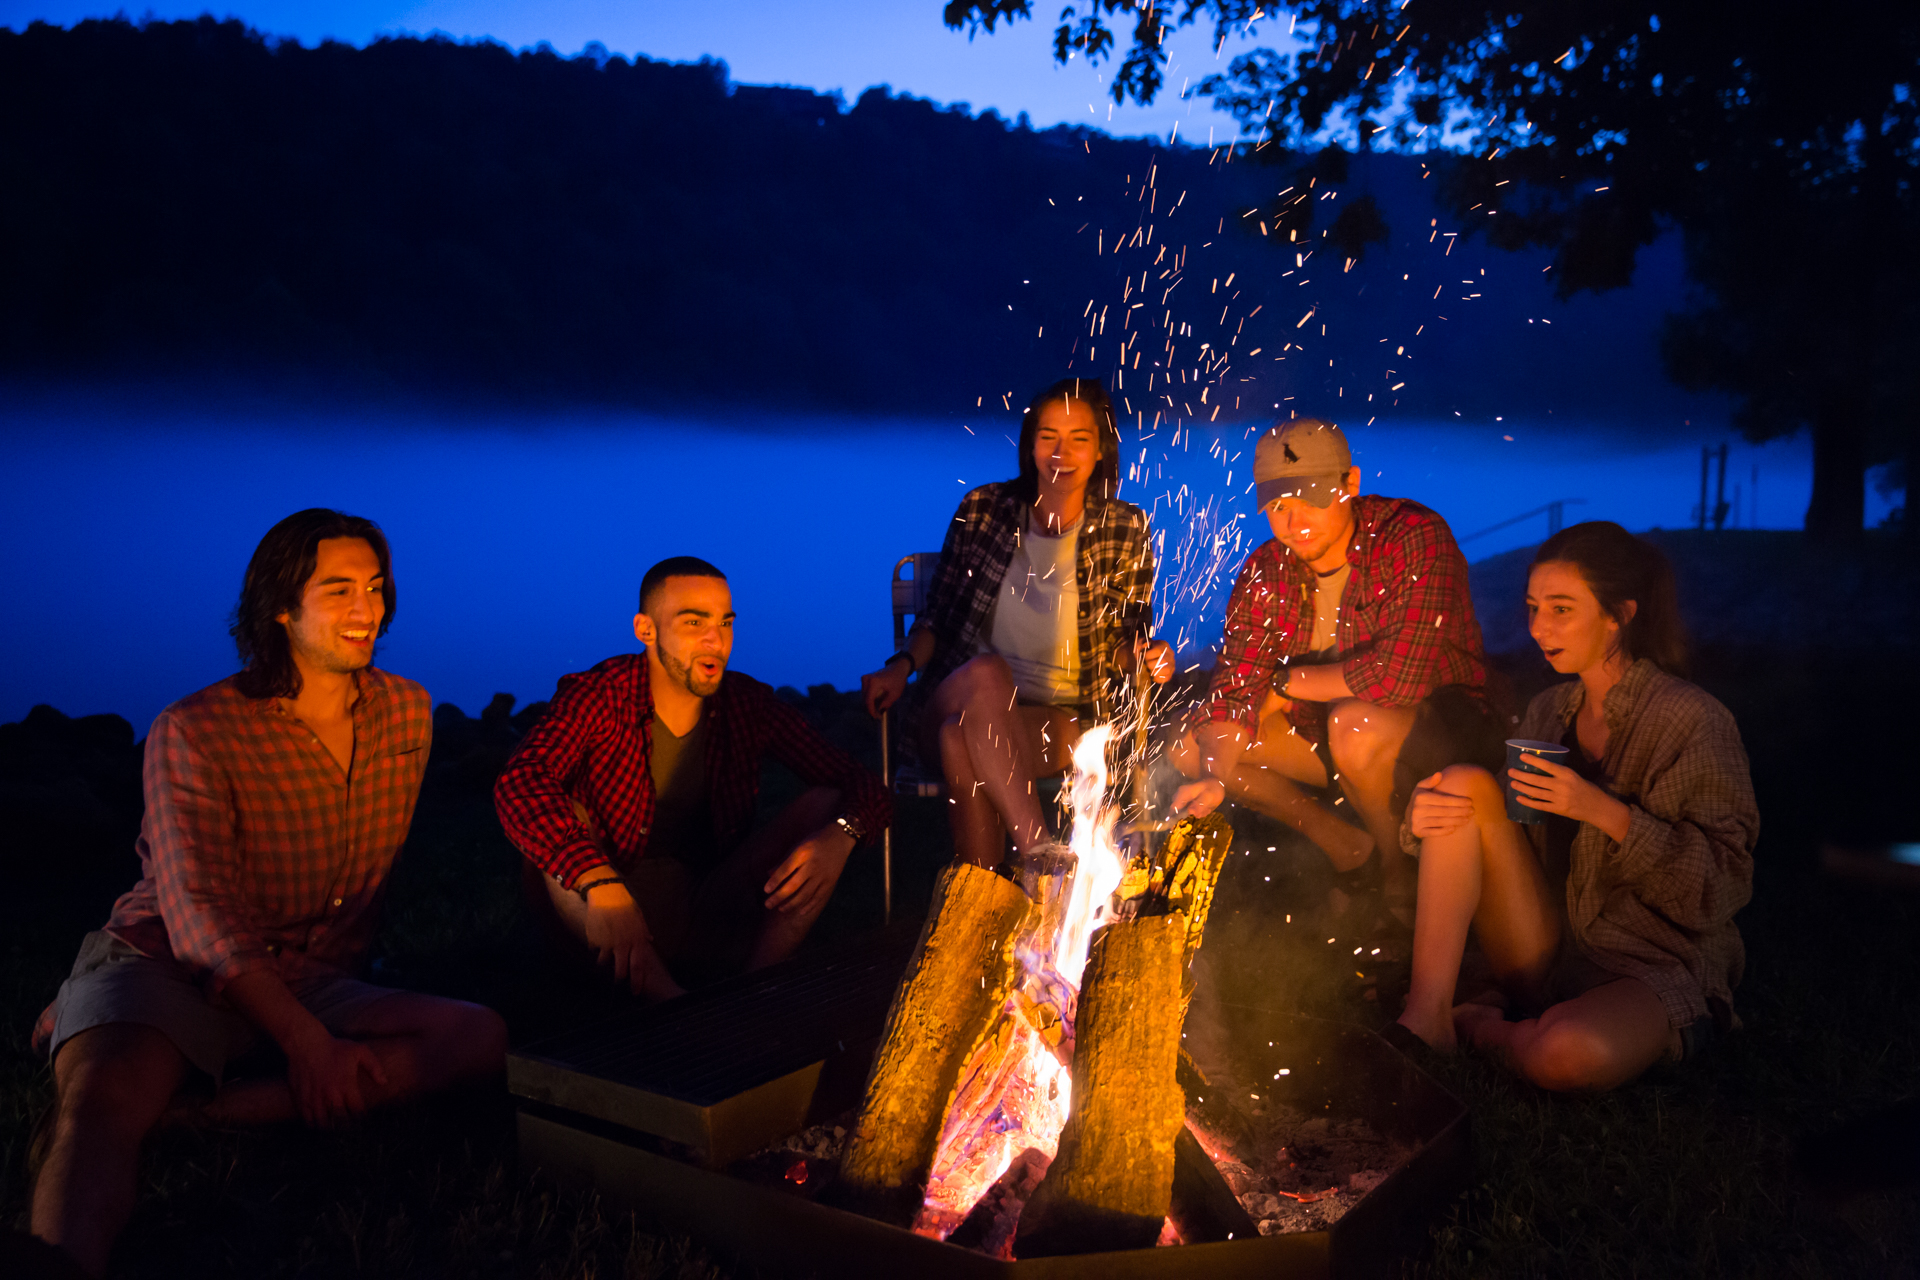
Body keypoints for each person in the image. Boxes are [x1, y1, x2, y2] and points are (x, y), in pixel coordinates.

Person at [28, 509, 508, 1278]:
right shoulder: (194, 730)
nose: (368, 610)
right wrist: (310, 1047)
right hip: (166, 963)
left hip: (311, 973)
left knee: (476, 1038)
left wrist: (315, 1025)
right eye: (340, 590)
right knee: (98, 1105)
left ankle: (197, 1116)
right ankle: (56, 1263)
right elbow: (197, 915)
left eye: (377, 588)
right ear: (280, 607)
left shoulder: (406, 713)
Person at [1392, 522, 1758, 1090]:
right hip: (1548, 944)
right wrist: (1423, 815)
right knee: (1461, 784)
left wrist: (1602, 810)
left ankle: (1488, 1030)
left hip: (1649, 963)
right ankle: (1426, 1018)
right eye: (1534, 607)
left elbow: (1723, 886)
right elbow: (1491, 826)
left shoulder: (1692, 720)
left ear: (1619, 614)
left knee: (1565, 1054)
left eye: (1561, 609)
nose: (1538, 627)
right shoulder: (1550, 711)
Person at [495, 557, 891, 999]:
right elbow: (521, 781)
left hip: (706, 906)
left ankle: (756, 989)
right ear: (646, 630)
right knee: (562, 810)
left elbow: (862, 782)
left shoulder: (746, 705)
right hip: (602, 918)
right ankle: (673, 1007)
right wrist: (596, 878)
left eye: (725, 622)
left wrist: (842, 836)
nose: (715, 639)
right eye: (693, 622)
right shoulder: (602, 694)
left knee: (827, 803)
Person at [1168, 418, 1492, 920]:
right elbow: (1233, 690)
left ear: (1350, 484)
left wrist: (1285, 684)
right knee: (1191, 744)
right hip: (1325, 734)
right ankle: (1348, 847)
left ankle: (1397, 872)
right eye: (1278, 506)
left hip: (1436, 730)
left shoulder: (1412, 536)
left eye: (1311, 499)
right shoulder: (1265, 571)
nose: (1295, 521)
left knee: (1353, 724)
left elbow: (1397, 678)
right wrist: (1215, 777)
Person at [859, 379, 1172, 868]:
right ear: (1030, 445)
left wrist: (1148, 655)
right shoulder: (984, 510)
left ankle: (986, 904)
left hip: (1054, 718)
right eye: (1048, 436)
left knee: (959, 740)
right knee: (987, 676)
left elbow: (1126, 635)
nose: (1061, 452)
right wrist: (900, 667)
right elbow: (937, 616)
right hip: (956, 694)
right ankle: (1041, 853)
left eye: (1079, 439)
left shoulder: (1123, 527)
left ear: (1100, 450)